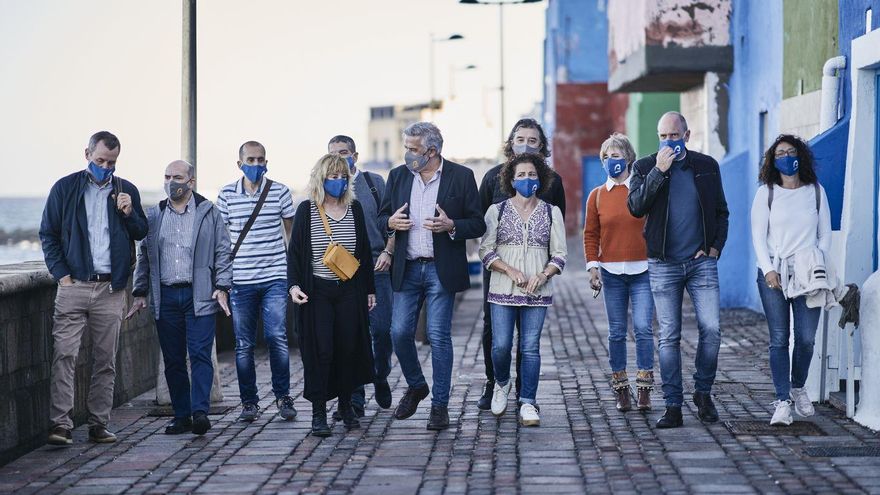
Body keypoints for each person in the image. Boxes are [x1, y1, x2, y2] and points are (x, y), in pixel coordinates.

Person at [40, 131, 148, 445]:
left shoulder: (126, 189)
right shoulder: (65, 188)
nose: (105, 166)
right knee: (65, 355)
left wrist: (128, 213)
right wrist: (63, 276)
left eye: (111, 162)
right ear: (87, 154)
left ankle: (99, 424)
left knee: (106, 360)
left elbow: (141, 232)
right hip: (73, 286)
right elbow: (48, 234)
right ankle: (61, 425)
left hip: (110, 289)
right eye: (100, 160)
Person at [380, 122, 486, 430]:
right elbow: (381, 217)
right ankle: (416, 385)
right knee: (398, 332)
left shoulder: (461, 177)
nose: (407, 154)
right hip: (408, 267)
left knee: (439, 337)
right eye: (406, 147)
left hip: (442, 269)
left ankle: (439, 407)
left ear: (432, 151)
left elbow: (477, 224)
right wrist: (390, 222)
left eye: (413, 149)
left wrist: (452, 226)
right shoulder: (398, 176)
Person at [627, 111, 729, 429]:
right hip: (663, 264)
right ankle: (673, 405)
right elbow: (636, 207)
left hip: (701, 264)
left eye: (674, 136)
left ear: (686, 135)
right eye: (663, 137)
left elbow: (721, 212)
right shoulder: (644, 167)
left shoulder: (707, 166)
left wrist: (713, 249)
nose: (669, 142)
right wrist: (659, 171)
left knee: (711, 330)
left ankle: (703, 392)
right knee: (669, 337)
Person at [128, 160, 233, 435]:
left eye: (177, 176)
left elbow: (223, 251)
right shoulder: (154, 216)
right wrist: (140, 292)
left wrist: (222, 285)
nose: (171, 181)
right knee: (173, 359)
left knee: (200, 354)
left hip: (199, 294)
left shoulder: (209, 213)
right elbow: (145, 257)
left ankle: (200, 412)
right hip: (166, 296)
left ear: (191, 182)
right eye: (167, 176)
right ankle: (182, 415)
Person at [476, 118, 566, 410]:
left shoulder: (552, 182)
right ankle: (495, 383)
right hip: (500, 273)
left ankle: (524, 394)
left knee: (528, 340)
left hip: (536, 275)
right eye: (520, 139)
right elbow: (481, 227)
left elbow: (556, 231)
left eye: (532, 140)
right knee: (495, 332)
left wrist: (544, 271)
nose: (525, 145)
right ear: (510, 142)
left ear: (541, 146)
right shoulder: (492, 178)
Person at [287, 154, 376, 437]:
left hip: (350, 290)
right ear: (320, 179)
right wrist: (294, 286)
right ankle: (318, 413)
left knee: (348, 349)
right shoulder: (307, 210)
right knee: (321, 351)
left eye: (342, 177)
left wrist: (370, 290)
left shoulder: (355, 209)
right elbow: (296, 254)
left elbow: (363, 253)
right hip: (318, 292)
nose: (337, 182)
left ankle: (347, 405)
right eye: (332, 177)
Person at [750, 134, 831, 426]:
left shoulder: (816, 191)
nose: (786, 156)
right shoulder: (766, 193)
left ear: (801, 156)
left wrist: (815, 262)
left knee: (807, 339)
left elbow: (824, 235)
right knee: (779, 338)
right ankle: (783, 400)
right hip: (774, 274)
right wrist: (769, 269)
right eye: (780, 153)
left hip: (808, 275)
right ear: (773, 161)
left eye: (791, 151)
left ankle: (798, 386)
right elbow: (758, 237)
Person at [216, 141, 297, 423]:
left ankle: (283, 396)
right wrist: (222, 281)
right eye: (250, 159)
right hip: (241, 280)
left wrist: (293, 276)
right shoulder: (226, 194)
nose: (256, 164)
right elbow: (222, 240)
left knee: (277, 337)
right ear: (239, 163)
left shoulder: (281, 192)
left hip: (275, 276)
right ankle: (249, 402)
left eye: (261, 159)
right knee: (243, 344)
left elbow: (292, 236)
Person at [584, 133, 654, 413]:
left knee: (643, 329)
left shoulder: (641, 190)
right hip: (611, 273)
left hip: (644, 271)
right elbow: (590, 234)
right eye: (606, 157)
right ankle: (621, 389)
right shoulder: (597, 196)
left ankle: (645, 389)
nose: (611, 161)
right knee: (616, 332)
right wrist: (592, 267)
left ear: (628, 158)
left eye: (616, 155)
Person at [327, 135, 394, 419]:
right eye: (334, 154)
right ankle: (354, 398)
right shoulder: (325, 187)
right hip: (343, 272)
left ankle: (379, 374)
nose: (340, 158)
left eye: (345, 153)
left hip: (377, 268)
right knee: (350, 336)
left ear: (356, 154)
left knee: (381, 331)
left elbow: (392, 222)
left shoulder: (373, 183)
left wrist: (388, 252)